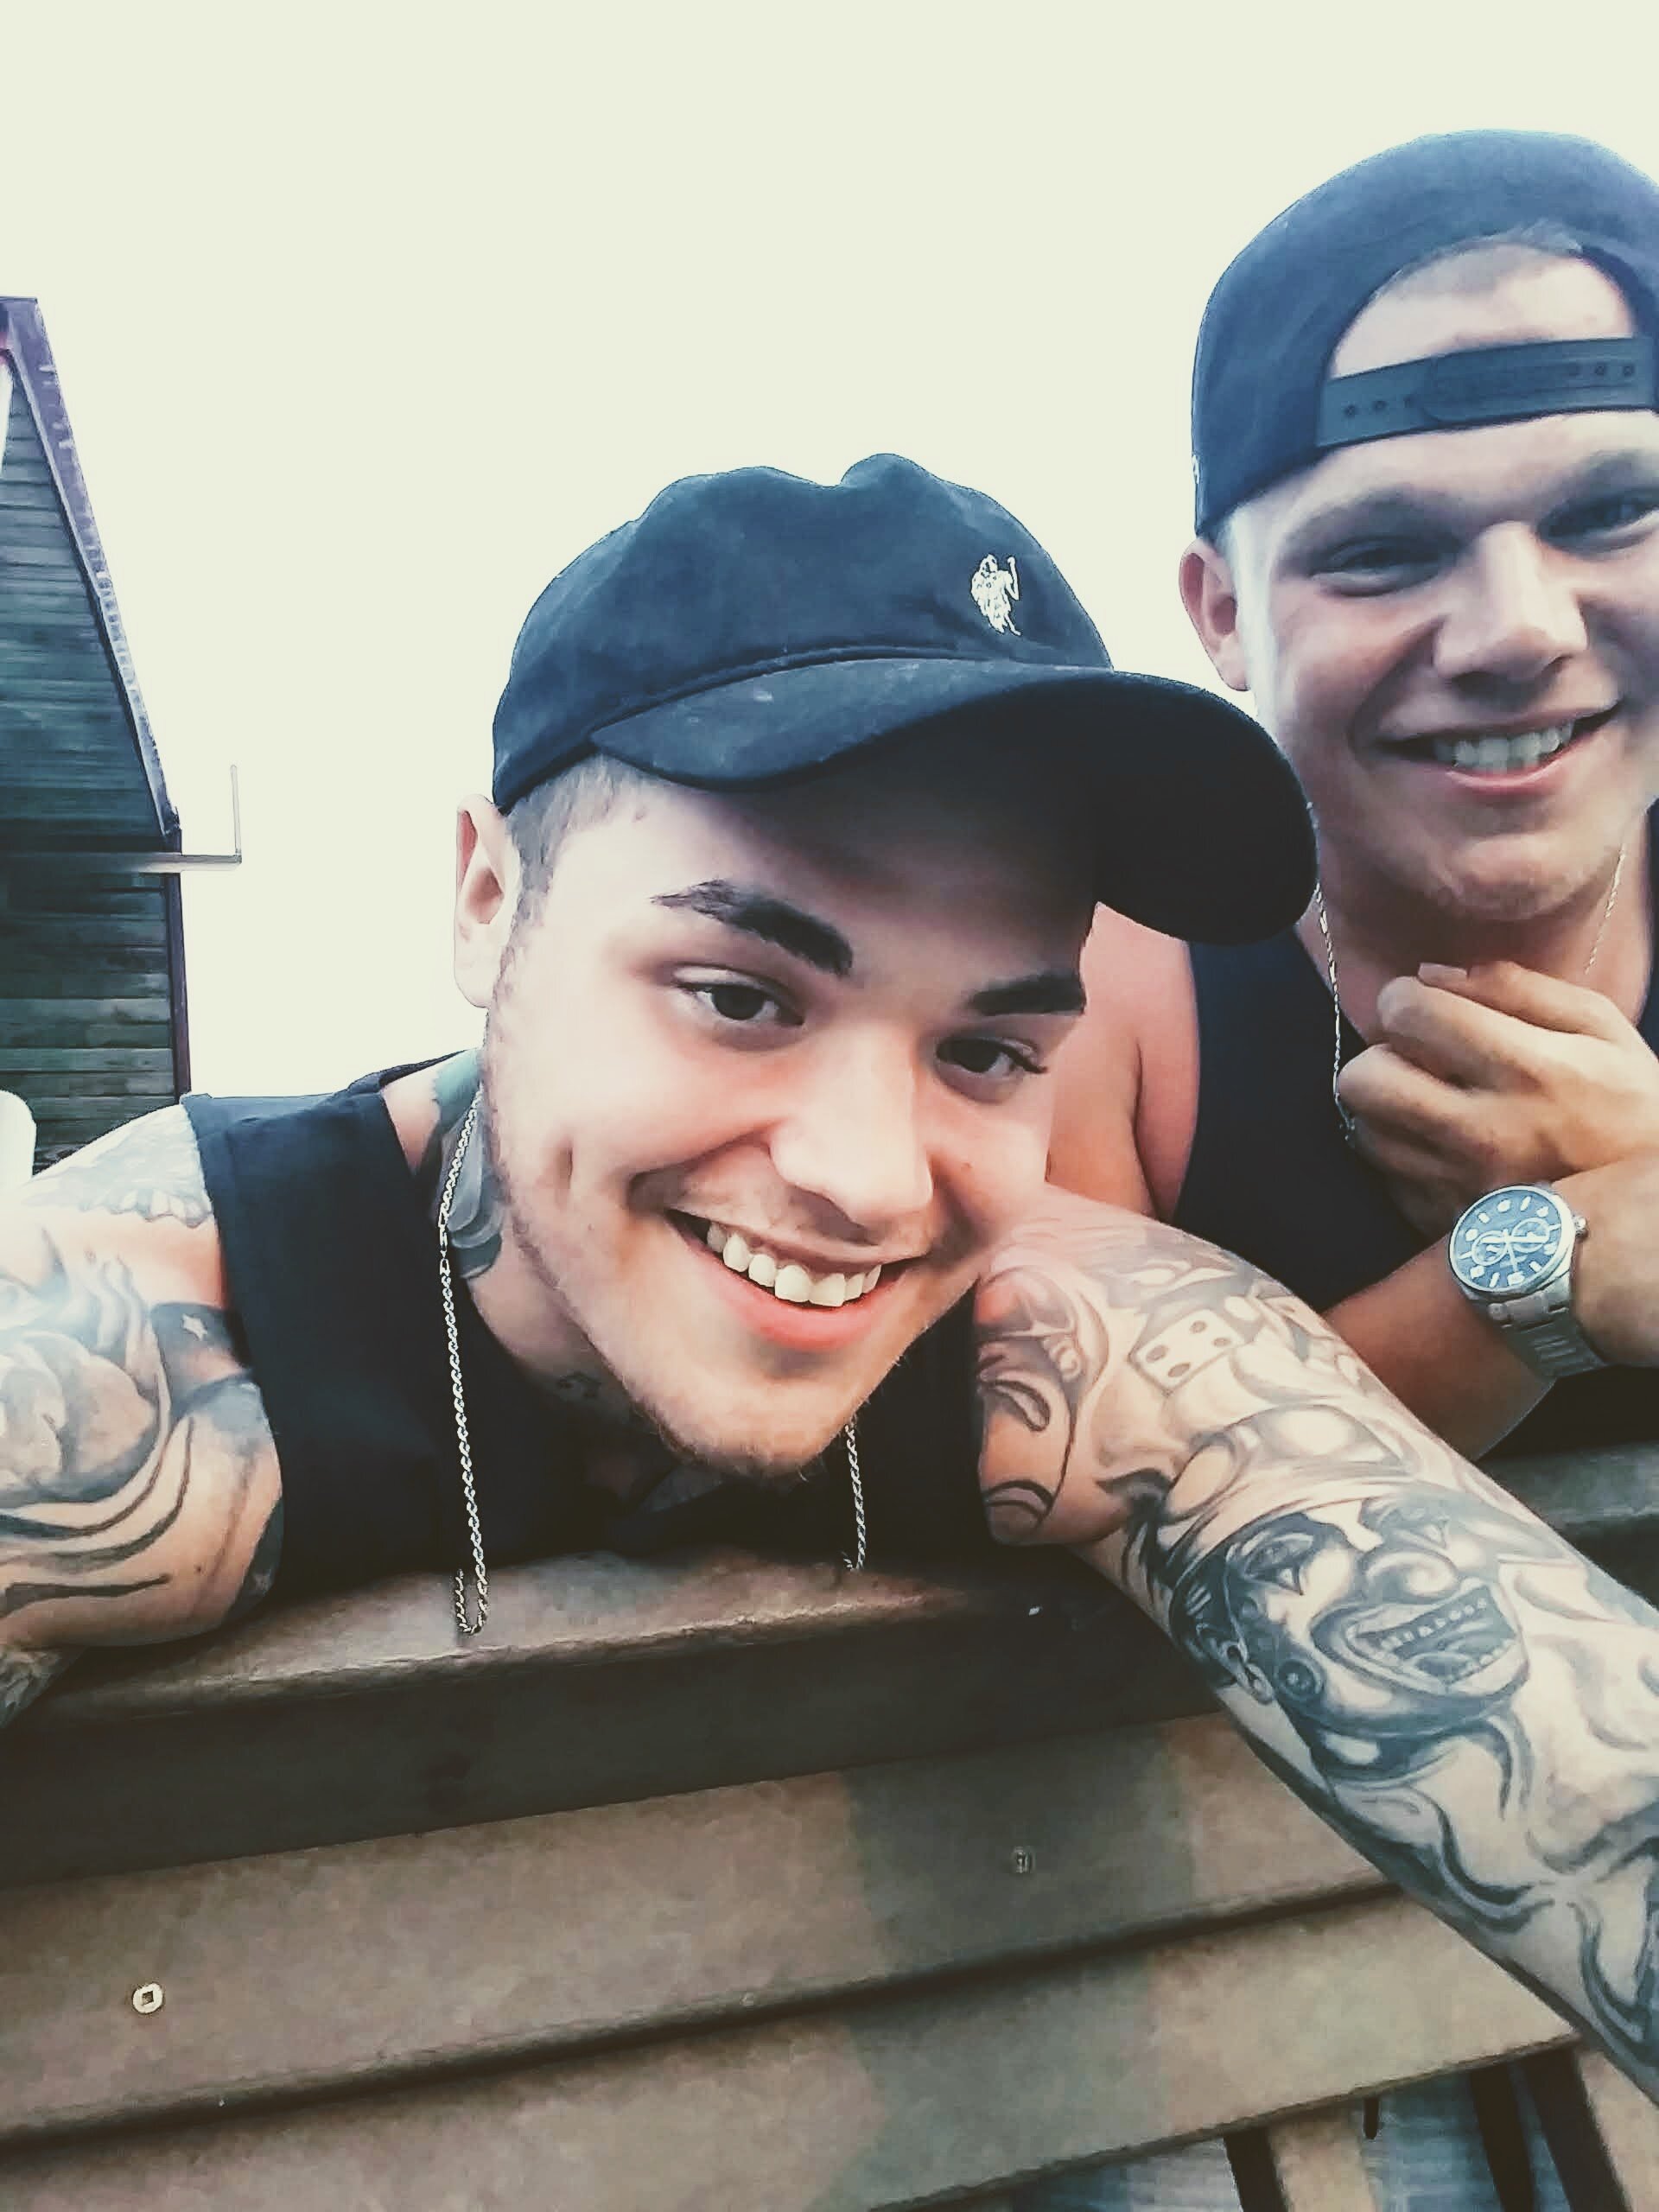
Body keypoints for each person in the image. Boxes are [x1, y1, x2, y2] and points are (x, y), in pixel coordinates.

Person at [12, 454, 1659, 2177]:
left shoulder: (1060, 1332)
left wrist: (1544, 1267)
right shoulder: (125, 1362)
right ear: (488, 902)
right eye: (739, 996)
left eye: (987, 1050)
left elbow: (1581, 1762)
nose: (870, 1182)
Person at [1046, 129, 1659, 2208]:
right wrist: (1555, 1259)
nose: (1518, 629)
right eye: (1386, 552)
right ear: (1219, 610)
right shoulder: (1116, 981)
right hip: (1179, 2025)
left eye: (1613, 513)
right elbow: (1086, 1433)